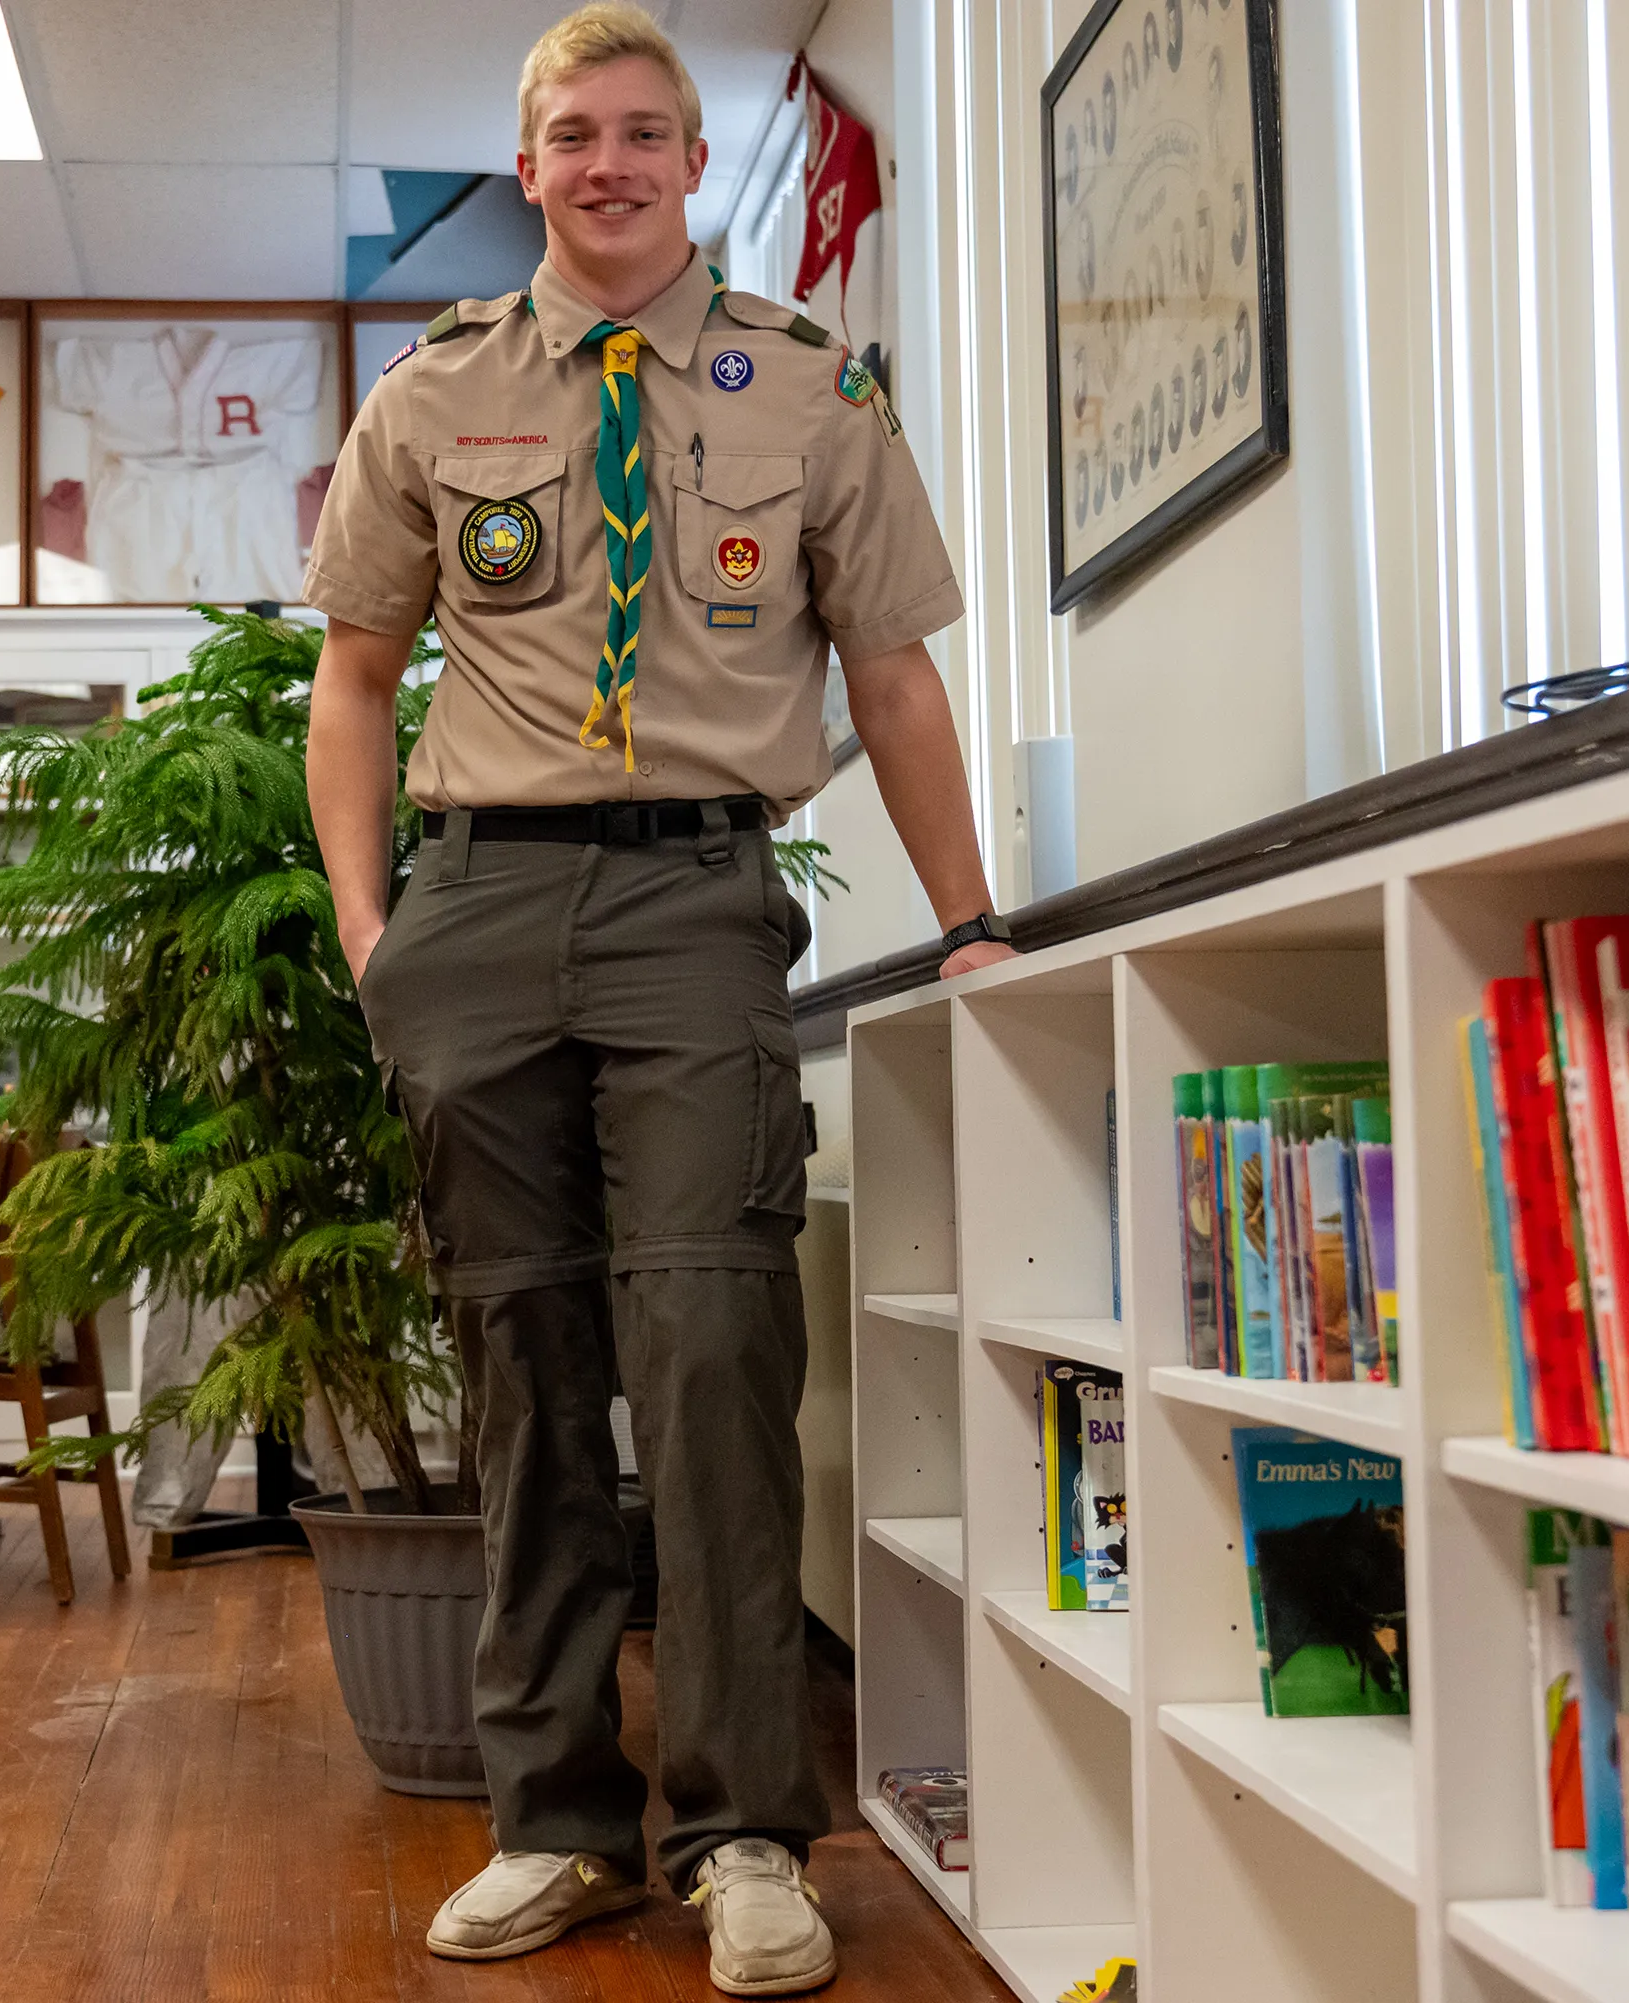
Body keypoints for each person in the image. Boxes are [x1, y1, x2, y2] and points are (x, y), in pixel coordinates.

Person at [300, 5, 1015, 1992]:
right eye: (571, 135)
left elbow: (893, 678)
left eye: (643, 131)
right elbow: (353, 683)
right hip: (476, 905)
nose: (609, 162)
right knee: (525, 1361)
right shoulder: (430, 398)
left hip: (696, 900)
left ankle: (739, 1831)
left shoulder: (806, 384)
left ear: (693, 163)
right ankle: (552, 1818)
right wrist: (375, 934)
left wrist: (972, 918)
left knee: (708, 1344)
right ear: (526, 169)